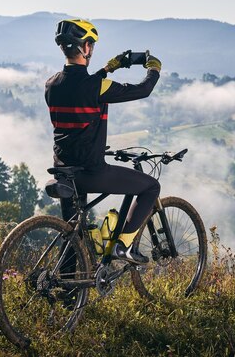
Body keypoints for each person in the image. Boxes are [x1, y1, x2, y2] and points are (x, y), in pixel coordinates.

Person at [45, 19, 161, 264]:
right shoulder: (95, 87)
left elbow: (80, 88)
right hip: (90, 172)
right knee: (151, 187)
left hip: (63, 172)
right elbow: (142, 90)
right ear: (85, 48)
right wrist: (154, 69)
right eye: (91, 45)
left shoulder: (52, 84)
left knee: (71, 240)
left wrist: (110, 68)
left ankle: (67, 298)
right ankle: (125, 246)